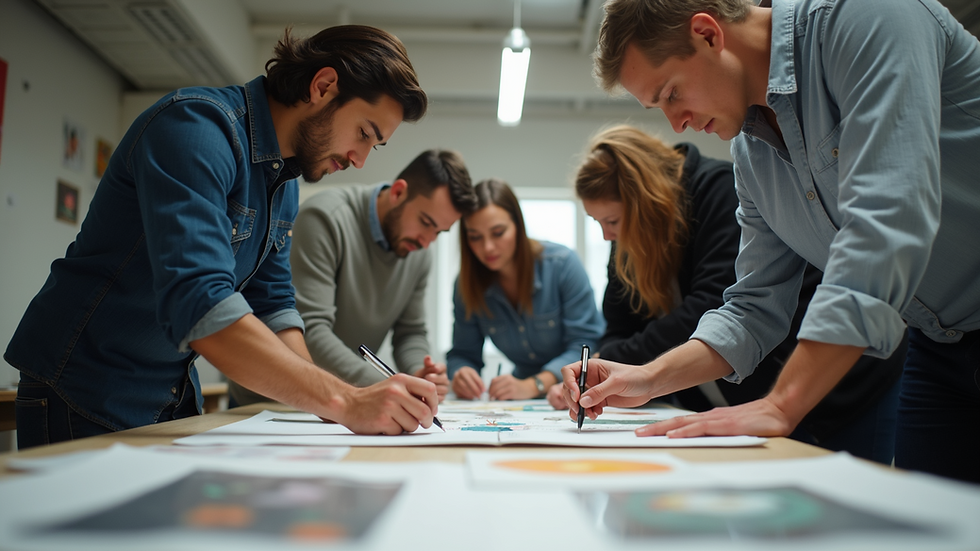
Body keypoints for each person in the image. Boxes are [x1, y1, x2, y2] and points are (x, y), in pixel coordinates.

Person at [560, 0, 980, 483]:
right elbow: (754, 307)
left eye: (672, 93)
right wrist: (648, 378)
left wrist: (784, 403)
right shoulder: (751, 153)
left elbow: (888, 219)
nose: (676, 124)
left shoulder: (865, 16)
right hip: (940, 346)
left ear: (707, 34)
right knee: (931, 524)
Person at [5, 25, 441, 448]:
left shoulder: (285, 182)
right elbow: (200, 301)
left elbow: (273, 305)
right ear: (323, 86)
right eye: (365, 133)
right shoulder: (195, 127)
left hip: (171, 395)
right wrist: (345, 399)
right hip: (85, 388)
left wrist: (327, 406)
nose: (361, 160)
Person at [549, 124, 904, 463]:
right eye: (599, 224)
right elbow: (626, 323)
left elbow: (722, 307)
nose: (608, 236)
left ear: (645, 201)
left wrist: (633, 371)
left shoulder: (719, 186)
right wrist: (617, 376)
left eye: (611, 222)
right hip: (752, 396)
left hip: (840, 378)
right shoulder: (628, 237)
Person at [228, 149, 477, 406]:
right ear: (398, 192)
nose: (428, 241)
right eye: (426, 222)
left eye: (440, 231)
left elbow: (410, 332)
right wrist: (385, 387)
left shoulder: (418, 252)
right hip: (268, 402)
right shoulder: (326, 219)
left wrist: (419, 374)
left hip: (347, 401)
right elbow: (311, 330)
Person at [447, 179, 605, 400]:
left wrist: (535, 384)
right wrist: (461, 372)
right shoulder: (466, 285)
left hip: (574, 391)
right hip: (519, 398)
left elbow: (585, 344)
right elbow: (463, 353)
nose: (488, 247)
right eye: (475, 237)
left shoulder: (562, 264)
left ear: (518, 227)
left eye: (498, 232)